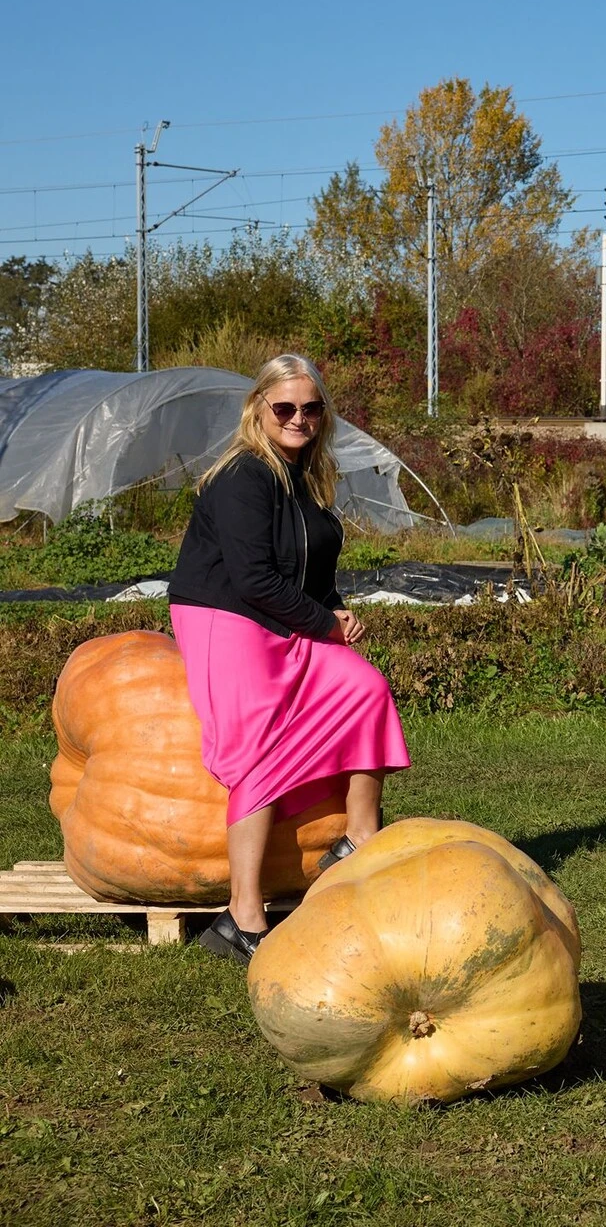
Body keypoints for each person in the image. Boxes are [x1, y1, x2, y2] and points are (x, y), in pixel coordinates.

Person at [167, 354, 410, 961]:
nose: (298, 418)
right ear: (260, 410)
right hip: (226, 617)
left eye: (310, 407)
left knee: (365, 688)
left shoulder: (305, 475)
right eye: (285, 408)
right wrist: (323, 623)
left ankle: (358, 834)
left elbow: (311, 568)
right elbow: (252, 578)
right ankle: (243, 919)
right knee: (260, 742)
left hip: (277, 613)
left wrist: (333, 611)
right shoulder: (244, 477)